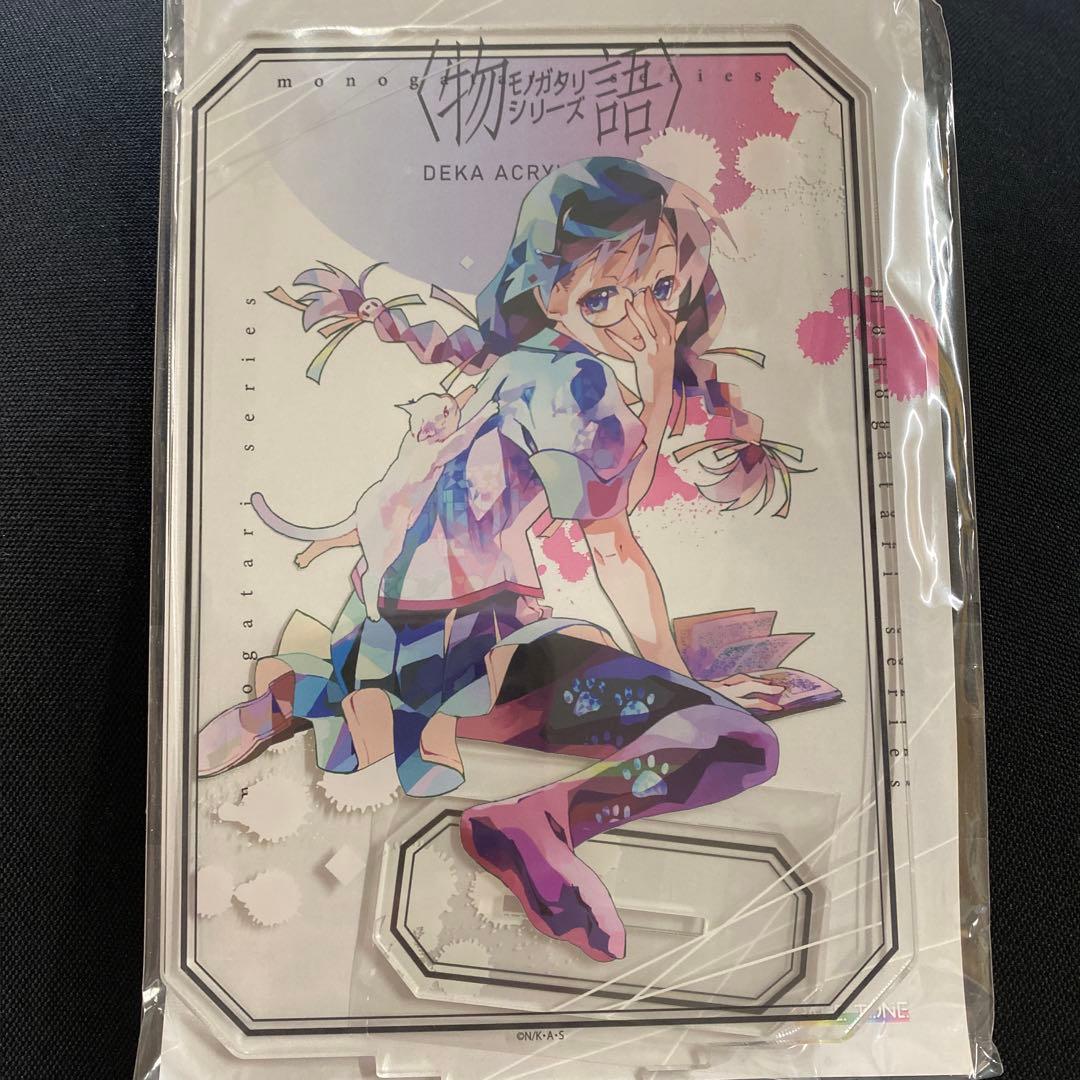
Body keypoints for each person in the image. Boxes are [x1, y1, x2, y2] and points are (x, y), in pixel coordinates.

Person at [199, 157, 786, 962]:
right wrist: (689, 687)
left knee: (622, 692)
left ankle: (306, 693)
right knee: (735, 741)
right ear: (549, 294)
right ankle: (543, 822)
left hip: (390, 645)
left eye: (659, 290)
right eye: (604, 296)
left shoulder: (518, 366)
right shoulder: (581, 383)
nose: (639, 321)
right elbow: (611, 538)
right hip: (476, 648)